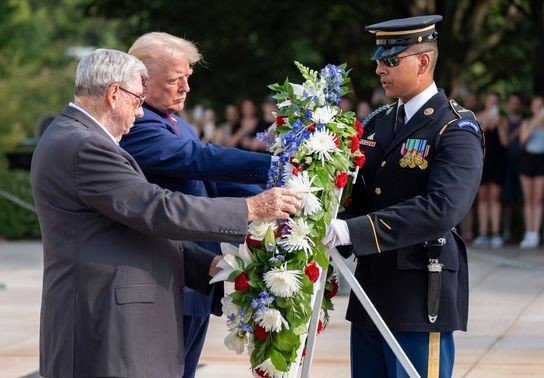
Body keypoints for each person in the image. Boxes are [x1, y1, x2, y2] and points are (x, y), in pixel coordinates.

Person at [30, 48, 302, 378]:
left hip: (116, 325)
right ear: (114, 94)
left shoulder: (78, 137)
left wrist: (207, 265)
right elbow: (156, 208)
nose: (142, 113)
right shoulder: (83, 144)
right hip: (104, 327)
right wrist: (251, 208)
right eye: (137, 99)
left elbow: (131, 226)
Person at [323, 15, 484, 378]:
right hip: (372, 289)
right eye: (378, 59)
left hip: (419, 291)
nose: (379, 68)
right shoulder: (379, 122)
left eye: (390, 60)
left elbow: (442, 208)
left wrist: (352, 232)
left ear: (423, 62)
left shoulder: (455, 127)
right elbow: (360, 196)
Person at [120, 32, 274, 378]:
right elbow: (198, 160)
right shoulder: (140, 125)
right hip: (170, 277)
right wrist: (275, 166)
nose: (186, 88)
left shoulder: (176, 122)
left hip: (197, 278)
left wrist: (280, 199)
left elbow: (215, 185)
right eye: (176, 80)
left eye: (188, 78)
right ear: (141, 81)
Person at [473, 92, 508, 248]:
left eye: (495, 102)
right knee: (482, 197)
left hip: (497, 161)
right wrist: (487, 119)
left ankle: (495, 233)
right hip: (482, 161)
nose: (492, 105)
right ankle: (482, 233)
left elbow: (505, 142)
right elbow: (479, 137)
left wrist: (499, 123)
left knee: (494, 197)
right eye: (490, 102)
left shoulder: (502, 120)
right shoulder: (478, 117)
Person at [518, 95, 544, 248]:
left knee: (537, 199)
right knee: (528, 199)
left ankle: (535, 232)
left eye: (540, 106)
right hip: (527, 159)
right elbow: (523, 140)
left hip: (541, 160)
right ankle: (528, 231)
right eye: (535, 106)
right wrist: (535, 122)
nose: (537, 109)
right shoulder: (527, 123)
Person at [502, 92, 525, 243]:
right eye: (512, 102)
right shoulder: (504, 121)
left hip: (523, 162)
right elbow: (506, 140)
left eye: (517, 103)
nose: (514, 105)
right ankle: (506, 231)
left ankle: (524, 232)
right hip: (507, 163)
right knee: (507, 199)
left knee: (524, 199)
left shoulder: (525, 121)